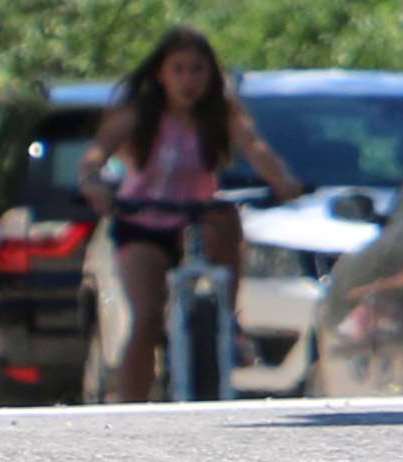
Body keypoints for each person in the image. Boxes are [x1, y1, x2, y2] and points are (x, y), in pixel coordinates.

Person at [78, 28, 303, 404]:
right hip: (141, 223)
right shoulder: (139, 116)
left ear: (211, 76)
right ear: (160, 75)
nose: (188, 81)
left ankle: (226, 322)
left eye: (197, 70)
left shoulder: (221, 115)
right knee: (147, 314)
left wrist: (283, 181)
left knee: (226, 217)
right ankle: (129, 407)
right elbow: (95, 155)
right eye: (178, 70)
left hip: (195, 220)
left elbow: (257, 149)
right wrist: (93, 183)